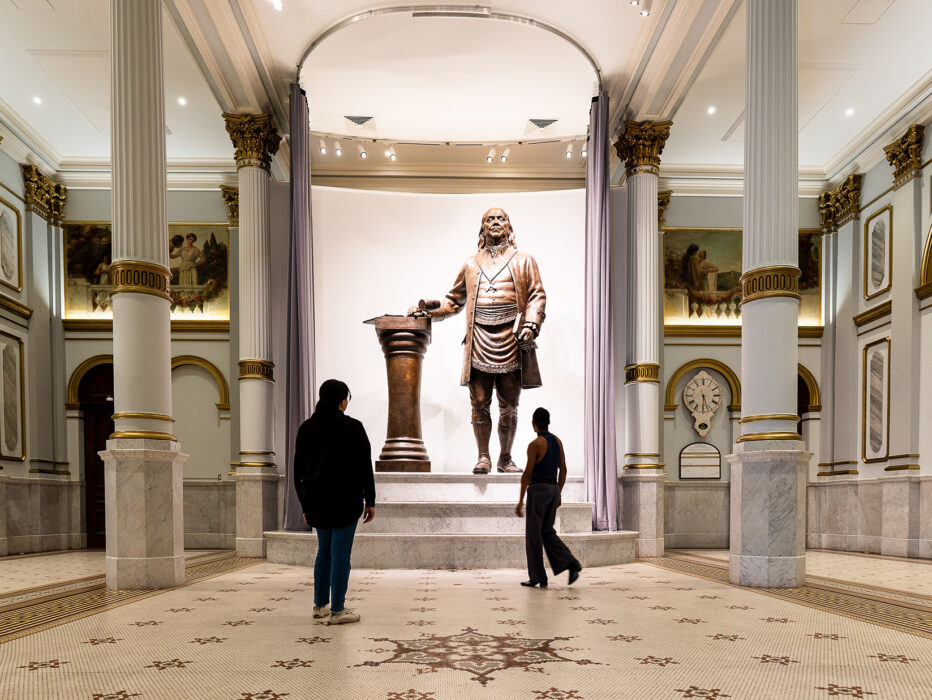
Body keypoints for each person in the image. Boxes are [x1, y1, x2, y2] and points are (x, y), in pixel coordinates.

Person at [409, 207, 547, 474]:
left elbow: (537, 295)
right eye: (489, 219)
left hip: (512, 339)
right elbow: (453, 301)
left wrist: (531, 323)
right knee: (479, 403)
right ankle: (483, 456)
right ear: (482, 228)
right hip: (479, 341)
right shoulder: (471, 264)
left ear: (509, 226)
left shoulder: (524, 260)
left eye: (501, 219)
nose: (496, 222)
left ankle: (505, 457)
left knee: (509, 405)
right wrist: (428, 312)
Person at [293, 379, 376, 625]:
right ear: (342, 400)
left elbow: (298, 471)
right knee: (340, 553)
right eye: (347, 398)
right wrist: (369, 500)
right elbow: (364, 467)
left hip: (317, 502)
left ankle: (319, 605)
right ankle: (338, 611)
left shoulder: (306, 428)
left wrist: (304, 505)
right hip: (346, 501)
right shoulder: (354, 427)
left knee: (324, 552)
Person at [515, 407, 581, 588]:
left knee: (533, 535)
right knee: (547, 531)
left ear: (534, 423)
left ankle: (538, 577)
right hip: (553, 490)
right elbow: (564, 469)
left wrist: (520, 501)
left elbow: (527, 474)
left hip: (538, 491)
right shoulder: (557, 441)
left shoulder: (535, 445)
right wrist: (558, 492)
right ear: (548, 422)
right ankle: (570, 563)